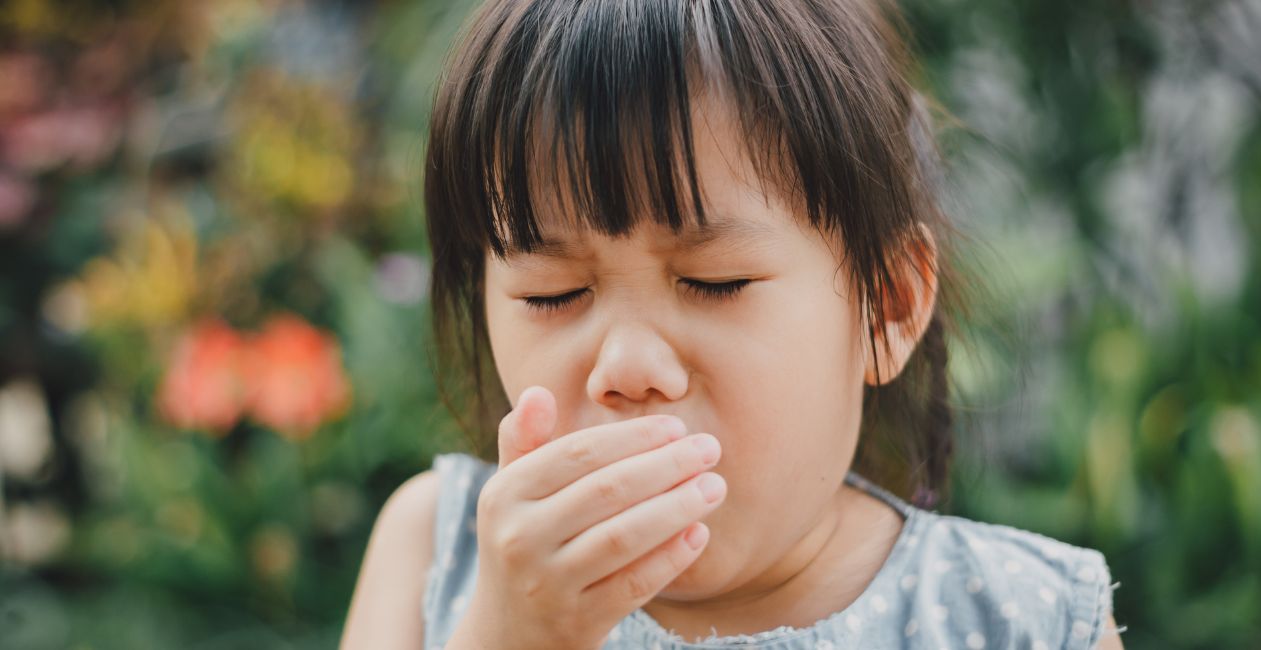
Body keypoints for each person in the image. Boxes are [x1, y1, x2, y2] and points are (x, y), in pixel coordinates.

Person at [342, 0, 1125, 648]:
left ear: (885, 305)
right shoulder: (432, 551)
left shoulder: (1026, 621)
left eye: (713, 282)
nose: (626, 363)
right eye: (551, 294)